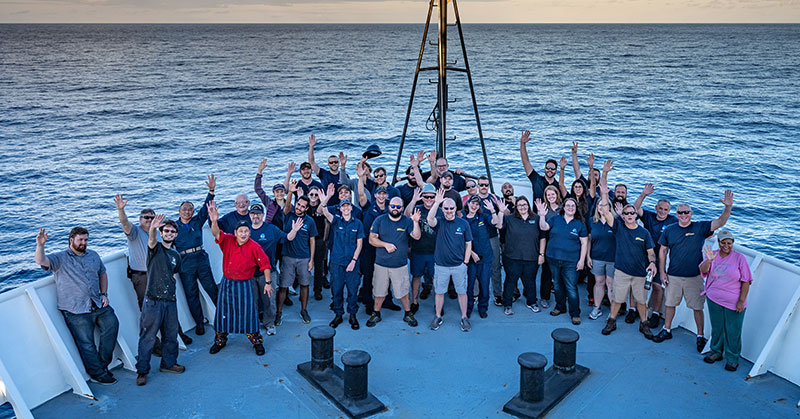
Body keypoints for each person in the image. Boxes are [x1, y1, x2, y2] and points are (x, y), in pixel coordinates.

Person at [35, 227, 120, 385]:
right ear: (71, 240)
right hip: (75, 309)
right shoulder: (60, 258)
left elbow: (102, 273)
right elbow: (41, 261)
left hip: (97, 303)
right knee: (86, 343)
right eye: (80, 240)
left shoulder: (93, 255)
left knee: (112, 325)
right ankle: (98, 374)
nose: (83, 243)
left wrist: (104, 294)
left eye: (86, 240)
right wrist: (40, 245)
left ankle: (102, 365)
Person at [653, 189, 733, 351]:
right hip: (673, 276)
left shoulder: (700, 227)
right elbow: (662, 251)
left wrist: (728, 207)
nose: (683, 215)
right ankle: (666, 330)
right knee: (670, 304)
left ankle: (700, 336)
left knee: (697, 307)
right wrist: (662, 272)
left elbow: (720, 222)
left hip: (694, 277)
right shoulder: (669, 230)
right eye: (680, 212)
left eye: (686, 212)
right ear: (676, 214)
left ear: (691, 213)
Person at [207, 202, 271, 356]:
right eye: (240, 231)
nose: (243, 234)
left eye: (246, 231)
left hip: (245, 284)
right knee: (224, 312)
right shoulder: (227, 240)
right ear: (235, 232)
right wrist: (214, 220)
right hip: (228, 283)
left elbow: (265, 265)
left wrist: (268, 283)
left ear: (250, 233)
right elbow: (216, 233)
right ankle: (220, 340)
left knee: (249, 313)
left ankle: (256, 341)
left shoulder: (255, 246)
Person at [595, 183, 657, 340]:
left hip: (640, 274)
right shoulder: (619, 227)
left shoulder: (644, 233)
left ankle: (644, 324)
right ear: (622, 216)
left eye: (632, 213)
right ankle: (611, 321)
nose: (629, 215)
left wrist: (652, 263)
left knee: (641, 301)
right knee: (616, 299)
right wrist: (603, 194)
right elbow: (606, 212)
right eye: (626, 213)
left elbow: (651, 253)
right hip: (622, 271)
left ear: (636, 215)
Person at [135, 215, 186, 386]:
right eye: (166, 231)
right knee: (148, 337)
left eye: (172, 231)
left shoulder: (176, 256)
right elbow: (150, 239)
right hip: (153, 301)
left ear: (176, 235)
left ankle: (168, 364)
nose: (169, 233)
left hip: (170, 301)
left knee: (171, 336)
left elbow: (173, 274)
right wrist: (153, 228)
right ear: (162, 233)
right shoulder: (154, 248)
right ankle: (142, 371)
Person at [700, 229, 752, 372]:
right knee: (717, 327)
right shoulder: (713, 255)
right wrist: (709, 260)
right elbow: (703, 271)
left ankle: (732, 358)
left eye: (729, 243)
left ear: (732, 243)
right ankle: (716, 351)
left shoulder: (739, 258)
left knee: (733, 331)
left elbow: (746, 281)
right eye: (723, 242)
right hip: (714, 298)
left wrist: (741, 301)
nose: (726, 245)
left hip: (733, 302)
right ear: (719, 242)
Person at [248, 203, 303, 336]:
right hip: (249, 273)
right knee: (252, 300)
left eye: (258, 213)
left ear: (263, 215)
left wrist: (294, 230)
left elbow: (287, 237)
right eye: (253, 213)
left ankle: (269, 323)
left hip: (268, 272)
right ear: (250, 215)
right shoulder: (245, 230)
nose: (255, 216)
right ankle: (253, 324)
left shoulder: (271, 229)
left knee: (269, 300)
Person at [366, 196, 422, 328]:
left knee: (403, 292)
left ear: (402, 208)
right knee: (379, 291)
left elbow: (417, 236)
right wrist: (385, 244)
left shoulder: (407, 221)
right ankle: (376, 313)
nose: (395, 209)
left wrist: (415, 222)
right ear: (388, 206)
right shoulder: (379, 220)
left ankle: (408, 313)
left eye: (398, 207)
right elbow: (371, 239)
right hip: (381, 264)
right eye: (393, 206)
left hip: (400, 265)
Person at [175, 175, 218, 336]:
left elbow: (207, 206)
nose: (187, 211)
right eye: (184, 209)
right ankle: (199, 323)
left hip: (200, 258)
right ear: (179, 211)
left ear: (193, 211)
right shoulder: (174, 226)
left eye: (190, 209)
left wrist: (211, 191)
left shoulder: (197, 221)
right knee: (191, 294)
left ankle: (222, 314)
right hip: (185, 263)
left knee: (211, 288)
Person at [427, 193, 474, 331]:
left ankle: (464, 317)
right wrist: (437, 202)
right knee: (439, 292)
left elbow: (468, 243)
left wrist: (465, 262)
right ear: (442, 209)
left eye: (451, 208)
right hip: (441, 266)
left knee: (462, 292)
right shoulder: (439, 222)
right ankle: (437, 316)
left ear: (455, 208)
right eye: (446, 208)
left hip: (459, 266)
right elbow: (430, 219)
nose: (448, 211)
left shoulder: (463, 223)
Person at [633, 182, 678, 328]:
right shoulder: (649, 217)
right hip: (644, 256)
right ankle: (633, 310)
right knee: (638, 284)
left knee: (657, 287)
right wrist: (644, 194)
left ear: (669, 211)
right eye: (660, 208)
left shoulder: (673, 221)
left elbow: (686, 225)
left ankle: (656, 314)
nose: (662, 211)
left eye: (665, 209)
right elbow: (635, 209)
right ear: (656, 208)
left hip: (661, 260)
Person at [318, 191, 365, 330]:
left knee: (352, 290)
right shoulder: (336, 221)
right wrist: (324, 199)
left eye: (347, 206)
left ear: (351, 208)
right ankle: (338, 314)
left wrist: (354, 261)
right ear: (340, 208)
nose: (345, 208)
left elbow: (360, 244)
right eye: (343, 206)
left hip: (352, 263)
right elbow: (325, 212)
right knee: (336, 290)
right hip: (337, 263)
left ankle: (352, 315)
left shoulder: (357, 223)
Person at [276, 180, 318, 325]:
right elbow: (287, 205)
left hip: (304, 258)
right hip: (288, 256)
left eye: (302, 206)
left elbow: (312, 241)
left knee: (305, 285)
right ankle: (278, 312)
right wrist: (290, 192)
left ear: (306, 208)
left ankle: (304, 310)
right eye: (298, 204)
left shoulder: (310, 222)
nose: (299, 208)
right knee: (283, 286)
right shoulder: (289, 215)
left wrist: (311, 260)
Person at [540, 198, 588, 325]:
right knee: (557, 285)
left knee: (571, 288)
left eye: (573, 206)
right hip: (553, 258)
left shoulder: (580, 224)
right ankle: (560, 307)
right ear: (564, 207)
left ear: (576, 208)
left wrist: (582, 260)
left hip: (571, 262)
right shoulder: (555, 219)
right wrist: (542, 215)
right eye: (568, 205)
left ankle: (575, 313)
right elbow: (543, 227)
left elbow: (584, 243)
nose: (570, 208)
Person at [497, 196, 547, 316]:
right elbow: (499, 226)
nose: (522, 207)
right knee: (510, 281)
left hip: (531, 257)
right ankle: (507, 304)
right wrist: (500, 211)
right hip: (512, 257)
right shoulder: (509, 218)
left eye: (525, 204)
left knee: (530, 281)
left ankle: (532, 302)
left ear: (528, 206)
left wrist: (541, 254)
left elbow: (543, 236)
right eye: (520, 205)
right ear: (516, 207)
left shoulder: (536, 218)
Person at [113, 194, 154, 310]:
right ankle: (149, 328)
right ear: (140, 219)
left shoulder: (158, 233)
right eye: (146, 217)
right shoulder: (135, 231)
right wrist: (121, 210)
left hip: (157, 273)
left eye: (152, 218)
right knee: (146, 305)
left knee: (161, 304)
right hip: (142, 276)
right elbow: (125, 223)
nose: (149, 220)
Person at [463, 195, 501, 318]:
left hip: (485, 258)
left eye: (477, 204)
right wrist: (472, 254)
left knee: (484, 286)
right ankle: (468, 308)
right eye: (472, 203)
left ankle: (483, 308)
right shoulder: (462, 220)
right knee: (469, 286)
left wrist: (492, 210)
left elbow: (495, 222)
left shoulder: (483, 217)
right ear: (468, 204)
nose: (474, 206)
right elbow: (461, 240)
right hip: (471, 259)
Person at [405, 184, 438, 310]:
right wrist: (413, 200)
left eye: (431, 197)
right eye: (426, 197)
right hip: (417, 250)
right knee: (416, 276)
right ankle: (414, 302)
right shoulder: (416, 208)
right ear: (422, 197)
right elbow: (406, 214)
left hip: (435, 252)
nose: (429, 199)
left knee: (436, 278)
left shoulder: (439, 210)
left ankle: (437, 303)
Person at [586, 198, 615, 321]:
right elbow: (588, 240)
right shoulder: (592, 221)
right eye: (599, 204)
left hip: (612, 259)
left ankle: (613, 311)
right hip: (597, 257)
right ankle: (597, 308)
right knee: (599, 283)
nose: (601, 207)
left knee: (610, 284)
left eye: (605, 205)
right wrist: (588, 256)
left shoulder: (615, 221)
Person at [520, 130, 561, 201]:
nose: (550, 170)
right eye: (548, 168)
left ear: (556, 171)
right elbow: (526, 162)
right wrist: (522, 144)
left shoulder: (559, 186)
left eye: (552, 168)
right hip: (537, 212)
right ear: (544, 169)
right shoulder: (536, 179)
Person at [307, 186, 330, 301]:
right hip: (306, 243)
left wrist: (325, 239)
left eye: (316, 195)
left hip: (319, 240)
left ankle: (317, 290)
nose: (314, 197)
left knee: (319, 267)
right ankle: (304, 290)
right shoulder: (305, 208)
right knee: (306, 267)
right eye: (311, 194)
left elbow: (324, 220)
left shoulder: (322, 208)